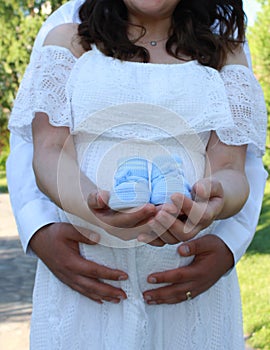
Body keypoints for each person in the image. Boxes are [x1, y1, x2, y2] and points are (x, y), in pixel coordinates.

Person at [6, 0, 267, 349]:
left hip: (187, 288)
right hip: (89, 280)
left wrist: (216, 201)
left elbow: (233, 168)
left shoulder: (225, 54)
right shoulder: (68, 40)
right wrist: (90, 203)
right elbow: (47, 150)